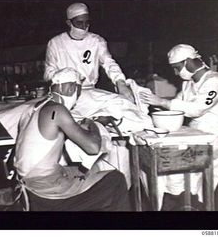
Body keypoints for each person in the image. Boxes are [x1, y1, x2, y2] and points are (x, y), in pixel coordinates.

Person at [14, 67, 131, 211]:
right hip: (45, 189)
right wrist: (95, 123)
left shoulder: (32, 108)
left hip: (27, 182)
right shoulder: (57, 110)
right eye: (78, 93)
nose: (76, 101)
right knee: (115, 179)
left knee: (91, 169)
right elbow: (93, 148)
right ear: (70, 89)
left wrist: (80, 127)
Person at [44, 2, 152, 132]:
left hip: (90, 91)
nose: (84, 27)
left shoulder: (96, 41)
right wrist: (70, 76)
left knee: (125, 106)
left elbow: (109, 63)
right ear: (68, 22)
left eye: (86, 22)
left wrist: (120, 82)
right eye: (79, 23)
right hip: (67, 94)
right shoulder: (56, 43)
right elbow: (48, 73)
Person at [140, 43, 218, 210]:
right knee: (168, 169)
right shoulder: (188, 84)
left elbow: (197, 109)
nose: (176, 73)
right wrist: (155, 105)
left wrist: (163, 102)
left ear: (189, 62)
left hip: (215, 137)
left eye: (177, 68)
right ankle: (175, 203)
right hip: (194, 134)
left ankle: (195, 205)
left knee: (197, 184)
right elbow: (178, 107)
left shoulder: (215, 81)